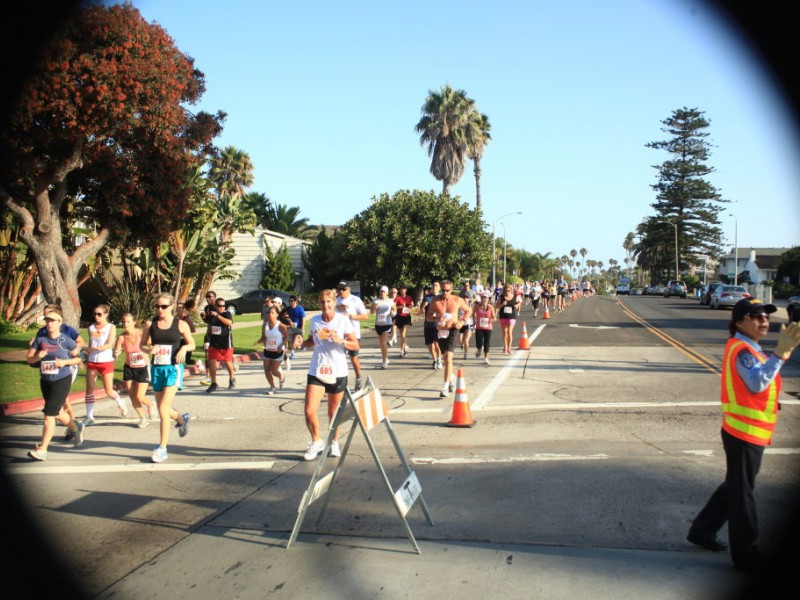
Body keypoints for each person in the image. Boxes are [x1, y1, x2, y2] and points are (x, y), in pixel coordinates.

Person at [687, 298, 800, 574]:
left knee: (735, 487)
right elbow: (756, 382)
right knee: (742, 495)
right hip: (744, 432)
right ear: (739, 321)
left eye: (766, 317)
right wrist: (780, 355)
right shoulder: (744, 351)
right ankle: (746, 554)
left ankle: (702, 531)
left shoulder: (749, 348)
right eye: (756, 317)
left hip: (748, 430)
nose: (763, 322)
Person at [300, 289, 358, 461]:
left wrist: (342, 341)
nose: (325, 305)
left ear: (334, 302)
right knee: (309, 410)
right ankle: (316, 441)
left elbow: (355, 345)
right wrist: (301, 343)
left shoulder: (343, 321)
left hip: (337, 370)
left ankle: (333, 441)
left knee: (333, 413)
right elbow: (311, 341)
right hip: (317, 369)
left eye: (328, 302)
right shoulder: (315, 321)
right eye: (322, 302)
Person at [26, 307, 85, 460]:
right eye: (47, 320)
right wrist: (38, 356)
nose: (49, 323)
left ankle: (43, 450)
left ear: (59, 322)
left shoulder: (66, 340)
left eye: (52, 320)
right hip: (46, 380)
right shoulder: (41, 339)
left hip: (62, 379)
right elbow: (29, 359)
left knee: (49, 414)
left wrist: (65, 362)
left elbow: (81, 358)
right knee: (56, 412)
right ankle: (75, 427)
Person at [140, 293, 194, 463]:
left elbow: (191, 343)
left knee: (163, 408)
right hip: (157, 369)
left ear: (171, 307)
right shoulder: (151, 325)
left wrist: (184, 349)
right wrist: (149, 350)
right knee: (163, 407)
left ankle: (162, 448)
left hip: (173, 369)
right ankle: (181, 419)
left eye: (163, 306)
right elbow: (142, 344)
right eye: (157, 306)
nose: (159, 309)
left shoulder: (181, 324)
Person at [83, 303, 127, 425]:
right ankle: (89, 416)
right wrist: (87, 353)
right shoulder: (91, 328)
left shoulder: (110, 327)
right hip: (93, 361)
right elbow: (92, 343)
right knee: (89, 389)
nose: (96, 316)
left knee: (108, 390)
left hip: (106, 361)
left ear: (106, 314)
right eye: (94, 314)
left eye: (99, 314)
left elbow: (109, 344)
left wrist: (95, 349)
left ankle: (120, 402)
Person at [428, 280, 472, 398]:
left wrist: (462, 321)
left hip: (453, 330)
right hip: (441, 331)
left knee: (448, 357)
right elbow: (428, 316)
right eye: (443, 290)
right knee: (445, 357)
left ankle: (445, 387)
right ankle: (451, 377)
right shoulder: (435, 301)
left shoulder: (457, 300)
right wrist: (437, 319)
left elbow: (469, 311)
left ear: (451, 290)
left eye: (447, 290)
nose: (445, 292)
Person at [113, 313, 157, 428]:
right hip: (129, 368)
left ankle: (151, 404)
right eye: (123, 322)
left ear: (134, 322)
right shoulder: (122, 337)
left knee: (140, 397)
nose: (125, 324)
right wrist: (116, 353)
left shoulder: (141, 334)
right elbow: (116, 350)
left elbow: (154, 344)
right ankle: (143, 418)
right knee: (132, 396)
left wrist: (147, 351)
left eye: (128, 321)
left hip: (142, 367)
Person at [335, 281, 368, 390]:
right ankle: (338, 382)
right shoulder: (335, 300)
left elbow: (365, 316)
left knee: (353, 358)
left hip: (353, 334)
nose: (341, 291)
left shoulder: (355, 300)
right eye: (339, 289)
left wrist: (350, 315)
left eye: (343, 289)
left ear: (349, 289)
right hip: (339, 334)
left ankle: (358, 377)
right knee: (338, 358)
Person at [205, 297, 235, 392]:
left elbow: (229, 323)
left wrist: (218, 316)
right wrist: (204, 316)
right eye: (219, 306)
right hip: (214, 343)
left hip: (226, 343)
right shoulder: (212, 314)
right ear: (215, 306)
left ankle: (232, 378)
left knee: (228, 362)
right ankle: (214, 383)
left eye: (223, 306)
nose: (221, 307)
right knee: (212, 363)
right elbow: (209, 324)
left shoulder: (227, 314)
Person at [257, 305, 288, 395]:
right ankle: (272, 387)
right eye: (268, 313)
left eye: (272, 313)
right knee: (266, 370)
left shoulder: (280, 325)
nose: (270, 314)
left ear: (277, 314)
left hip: (278, 351)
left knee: (274, 371)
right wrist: (259, 341)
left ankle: (281, 376)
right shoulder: (265, 325)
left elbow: (286, 337)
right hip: (267, 351)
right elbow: (263, 337)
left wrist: (281, 345)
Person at [370, 285, 396, 369]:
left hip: (387, 323)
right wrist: (375, 307)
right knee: (381, 344)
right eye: (381, 291)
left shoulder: (390, 301)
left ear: (387, 293)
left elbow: (394, 310)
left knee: (384, 342)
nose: (382, 293)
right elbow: (371, 312)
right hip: (378, 324)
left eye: (384, 291)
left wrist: (392, 313)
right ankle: (386, 357)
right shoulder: (376, 300)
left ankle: (384, 360)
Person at [420, 281, 443, 370]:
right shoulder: (427, 297)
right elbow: (421, 312)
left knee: (436, 343)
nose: (434, 287)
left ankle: (439, 359)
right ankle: (435, 360)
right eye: (433, 285)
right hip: (428, 324)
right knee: (429, 344)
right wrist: (423, 306)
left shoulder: (441, 298)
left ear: (439, 288)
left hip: (437, 324)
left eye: (436, 286)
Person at [496, 284, 522, 355]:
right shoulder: (501, 297)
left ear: (511, 290)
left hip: (512, 316)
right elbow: (496, 306)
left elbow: (519, 303)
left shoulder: (515, 297)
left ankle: (509, 348)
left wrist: (517, 306)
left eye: (509, 290)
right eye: (506, 290)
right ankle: (505, 347)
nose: (507, 291)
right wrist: (502, 304)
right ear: (504, 290)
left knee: (509, 332)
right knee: (504, 332)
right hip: (503, 316)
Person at [473, 291, 496, 365]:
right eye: (483, 297)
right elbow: (472, 313)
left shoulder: (491, 307)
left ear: (488, 299)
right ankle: (479, 349)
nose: (484, 299)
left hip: (488, 327)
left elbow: (494, 318)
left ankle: (486, 358)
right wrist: (474, 320)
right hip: (479, 327)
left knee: (487, 343)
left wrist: (490, 320)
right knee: (478, 342)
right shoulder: (477, 306)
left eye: (485, 297)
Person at [393, 285, 415, 358]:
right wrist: (400, 307)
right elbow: (393, 306)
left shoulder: (409, 297)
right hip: (399, 317)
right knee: (402, 335)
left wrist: (410, 307)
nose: (402, 290)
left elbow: (412, 304)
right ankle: (404, 349)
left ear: (406, 290)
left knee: (403, 334)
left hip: (406, 317)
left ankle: (402, 350)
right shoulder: (398, 298)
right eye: (401, 289)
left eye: (404, 289)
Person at [286, 295, 307, 361]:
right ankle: (293, 354)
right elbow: (286, 316)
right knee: (289, 341)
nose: (290, 302)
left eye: (291, 301)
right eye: (289, 301)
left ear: (295, 301)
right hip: (291, 328)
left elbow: (303, 318)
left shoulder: (300, 309)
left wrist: (302, 328)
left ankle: (302, 345)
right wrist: (289, 321)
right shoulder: (288, 309)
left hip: (299, 327)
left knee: (298, 342)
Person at [177, 300, 197, 366]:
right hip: (177, 340)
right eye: (177, 308)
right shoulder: (175, 319)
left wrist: (184, 332)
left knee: (186, 359)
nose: (178, 309)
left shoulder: (187, 319)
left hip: (185, 340)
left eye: (180, 308)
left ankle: (193, 362)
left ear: (183, 309)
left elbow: (193, 330)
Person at [458, 289, 475, 360]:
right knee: (460, 340)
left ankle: (466, 353)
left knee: (466, 340)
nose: (465, 299)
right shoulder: (459, 306)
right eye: (464, 297)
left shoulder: (471, 305)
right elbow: (455, 314)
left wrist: (475, 323)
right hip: (461, 324)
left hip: (469, 324)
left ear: (469, 299)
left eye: (467, 297)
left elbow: (473, 314)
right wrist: (458, 317)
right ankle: (462, 345)